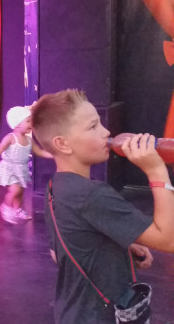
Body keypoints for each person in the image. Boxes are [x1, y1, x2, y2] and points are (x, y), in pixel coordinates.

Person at [32, 89, 174, 323]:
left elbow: (60, 252)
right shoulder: (93, 195)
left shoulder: (55, 187)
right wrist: (156, 170)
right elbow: (169, 240)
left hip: (71, 313)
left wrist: (118, 243)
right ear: (63, 144)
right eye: (93, 127)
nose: (106, 131)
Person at [0, 105, 52, 224]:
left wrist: (54, 155)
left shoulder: (29, 140)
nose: (31, 123)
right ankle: (5, 206)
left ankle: (17, 209)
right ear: (17, 124)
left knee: (20, 192)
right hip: (9, 168)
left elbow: (39, 152)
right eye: (28, 121)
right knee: (14, 191)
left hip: (21, 169)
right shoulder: (10, 138)